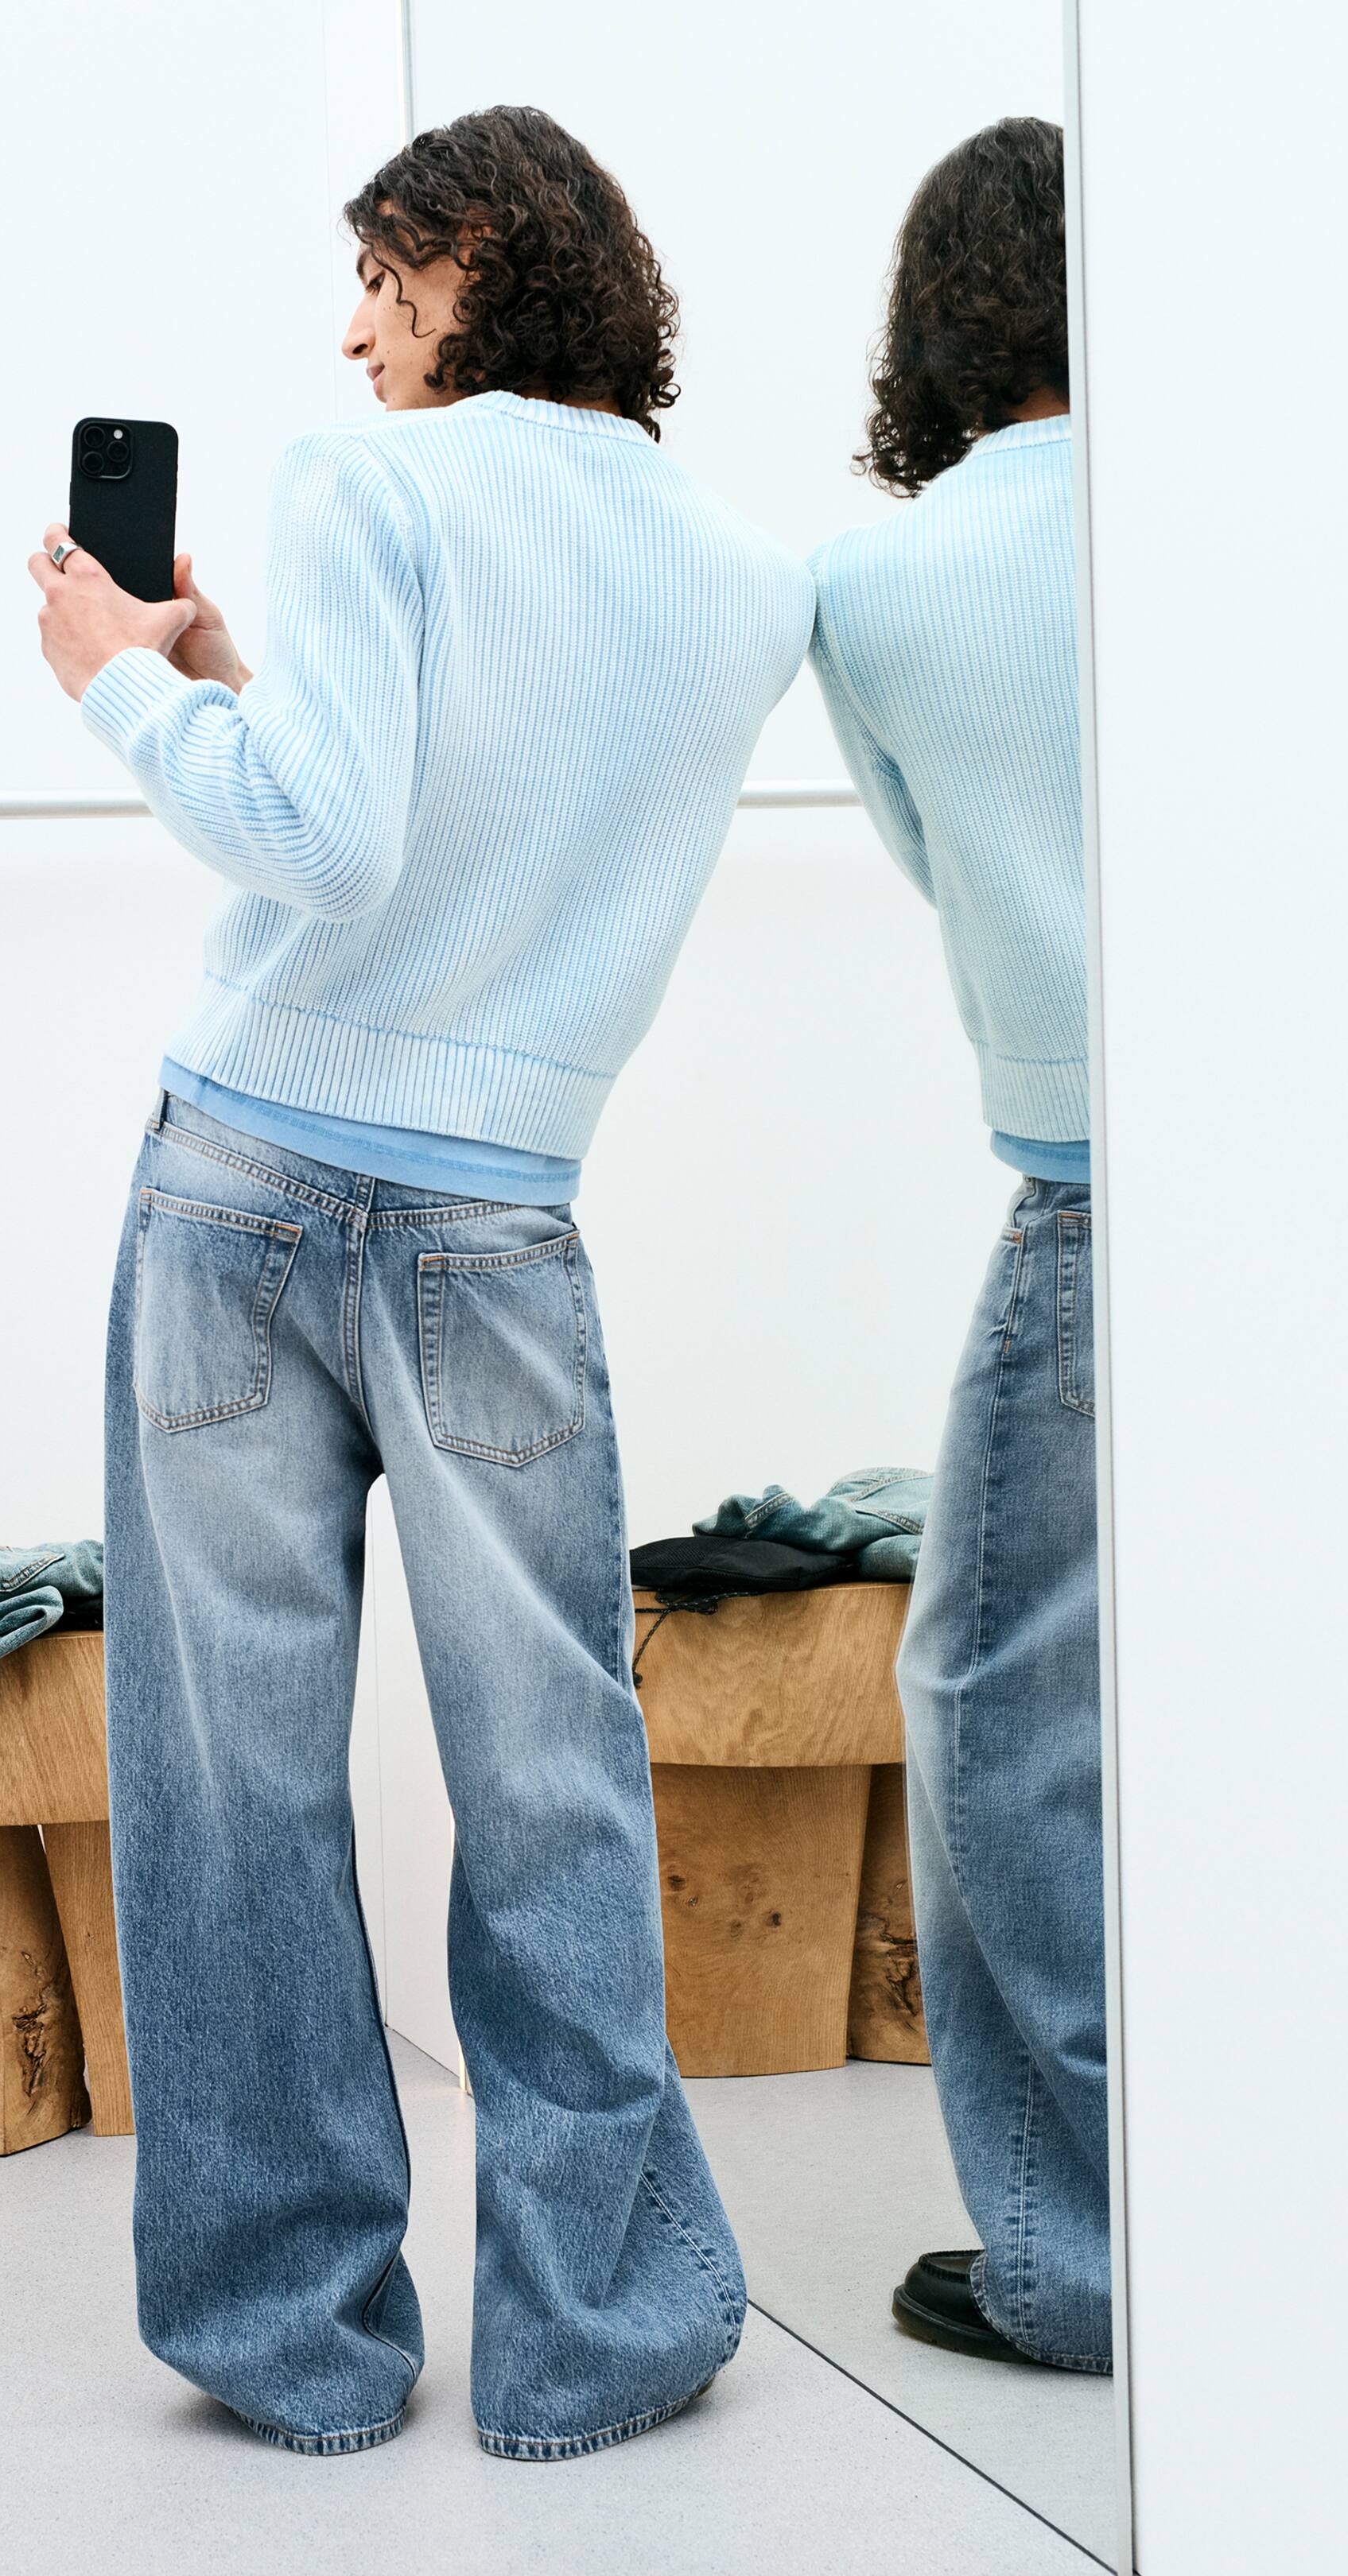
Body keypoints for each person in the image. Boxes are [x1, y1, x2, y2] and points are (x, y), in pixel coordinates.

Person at [28, 105, 813, 2457]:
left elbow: (336, 845)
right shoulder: (747, 577)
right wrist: (251, 675)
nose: (350, 326)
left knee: (233, 1775)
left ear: (477, 256)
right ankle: (595, 2336)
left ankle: (299, 2346)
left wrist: (119, 679)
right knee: (553, 1774)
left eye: (378, 275)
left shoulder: (372, 477)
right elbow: (496, 810)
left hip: (244, 1194)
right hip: (495, 1219)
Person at [809, 117, 1110, 2373]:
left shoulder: (887, 590)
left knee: (998, 1705)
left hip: (1103, 1192)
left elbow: (936, 868)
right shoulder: (1262, 506)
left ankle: (1086, 2255)